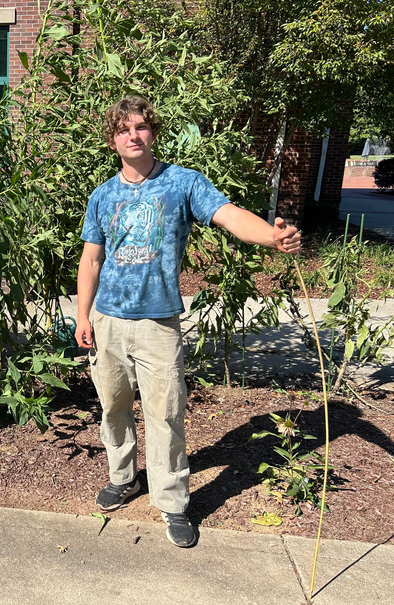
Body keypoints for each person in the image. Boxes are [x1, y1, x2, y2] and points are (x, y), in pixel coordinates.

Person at [74, 95, 301, 548]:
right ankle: (125, 478)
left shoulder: (182, 183)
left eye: (140, 127)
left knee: (165, 415)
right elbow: (92, 259)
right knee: (114, 409)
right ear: (113, 140)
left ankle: (172, 501)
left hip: (158, 323)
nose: (133, 135)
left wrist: (272, 237)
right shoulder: (103, 195)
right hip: (108, 322)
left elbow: (229, 215)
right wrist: (83, 315)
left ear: (152, 133)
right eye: (123, 130)